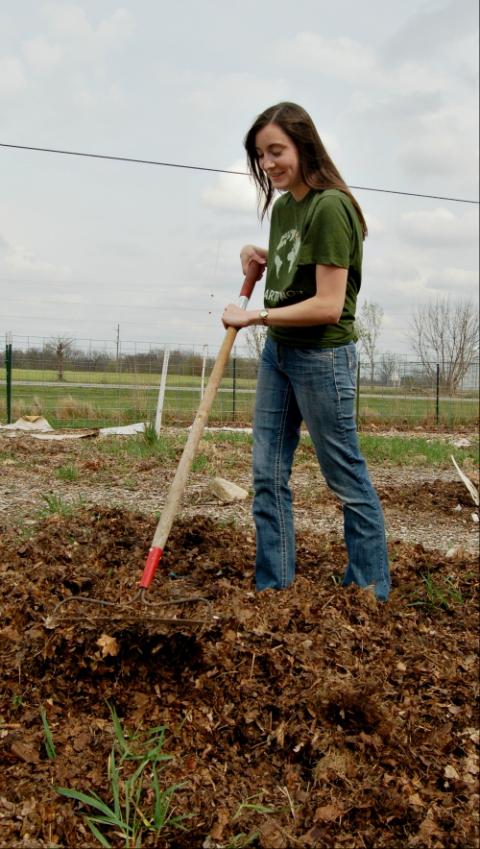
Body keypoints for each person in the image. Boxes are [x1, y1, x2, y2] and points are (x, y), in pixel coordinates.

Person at [222, 102, 390, 601]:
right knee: (266, 474)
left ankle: (368, 590)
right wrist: (264, 257)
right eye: (261, 154)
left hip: (322, 357)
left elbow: (328, 305)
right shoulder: (285, 209)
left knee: (344, 475)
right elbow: (298, 269)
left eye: (277, 150)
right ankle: (275, 587)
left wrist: (255, 316)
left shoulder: (331, 206)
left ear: (304, 145)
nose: (269, 163)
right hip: (279, 353)